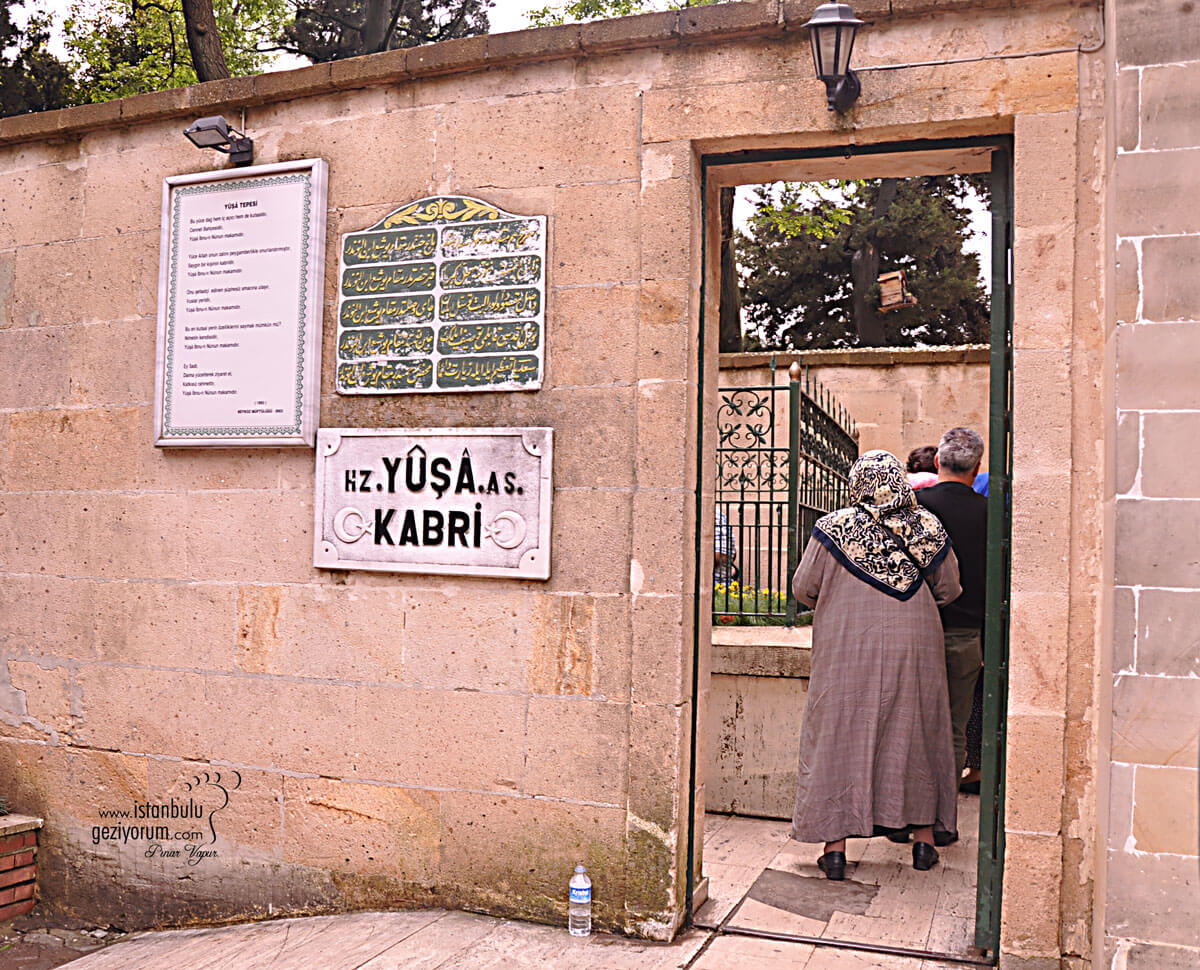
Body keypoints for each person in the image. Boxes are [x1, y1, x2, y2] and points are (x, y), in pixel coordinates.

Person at [790, 450, 961, 880]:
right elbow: (950, 588)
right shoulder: (928, 526)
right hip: (916, 646)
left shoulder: (834, 527)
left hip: (847, 643)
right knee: (917, 732)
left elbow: (803, 588)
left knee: (840, 733)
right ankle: (923, 843)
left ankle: (834, 850)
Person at [917, 427, 988, 796]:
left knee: (912, 725)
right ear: (976, 469)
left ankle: (909, 814)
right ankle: (944, 816)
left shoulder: (918, 508)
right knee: (955, 726)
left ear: (937, 461)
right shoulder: (989, 513)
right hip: (967, 633)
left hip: (917, 631)